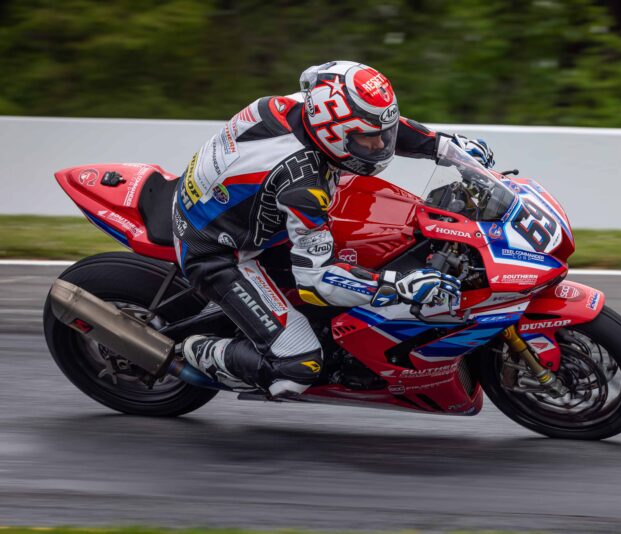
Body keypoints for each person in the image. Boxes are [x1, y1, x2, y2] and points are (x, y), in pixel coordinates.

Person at [174, 60, 495, 397]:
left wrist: (445, 147)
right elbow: (316, 281)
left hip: (238, 209)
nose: (381, 146)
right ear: (334, 136)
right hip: (219, 252)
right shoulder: (303, 184)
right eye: (368, 140)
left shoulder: (305, 106)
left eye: (382, 136)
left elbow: (380, 125)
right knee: (297, 367)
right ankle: (189, 351)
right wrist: (400, 286)